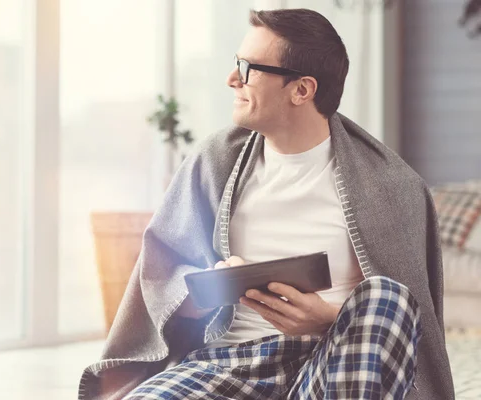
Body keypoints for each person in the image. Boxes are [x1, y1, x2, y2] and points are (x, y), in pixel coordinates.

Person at [79, 8, 455, 400]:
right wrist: (215, 286)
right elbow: (162, 277)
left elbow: (405, 323)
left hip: (330, 364)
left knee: (387, 295)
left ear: (301, 90)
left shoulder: (390, 184)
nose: (232, 78)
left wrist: (326, 319)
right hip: (225, 363)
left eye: (248, 67)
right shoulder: (214, 162)